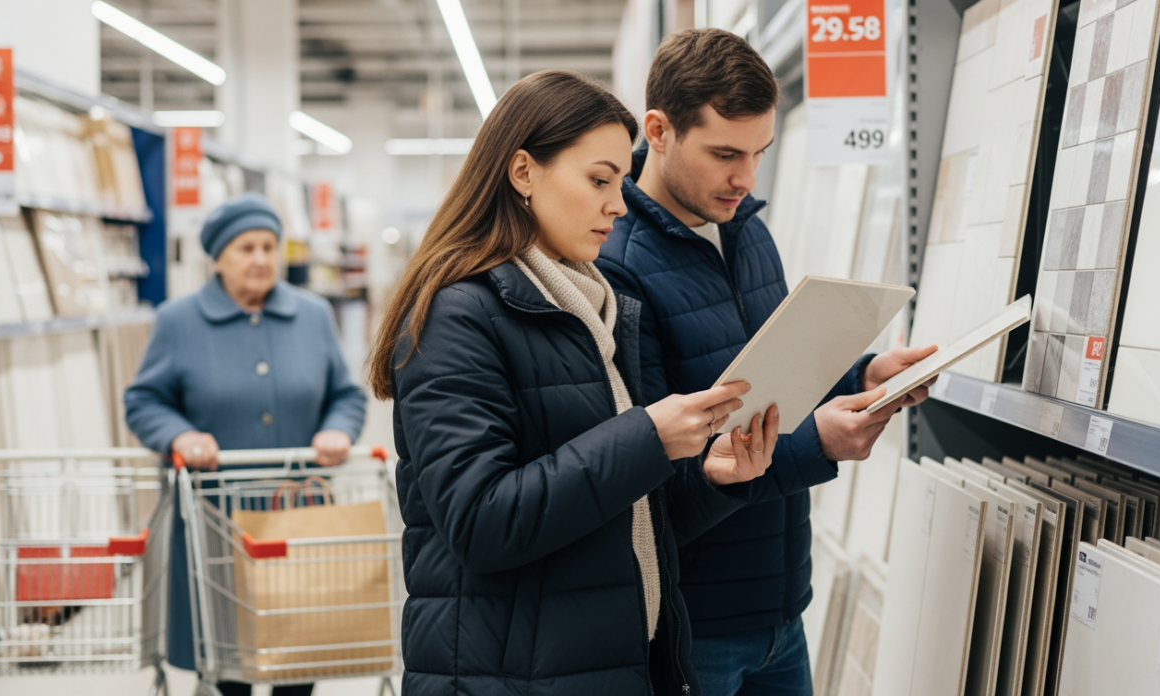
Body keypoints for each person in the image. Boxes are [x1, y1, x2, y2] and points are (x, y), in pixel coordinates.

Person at [366, 70, 783, 696]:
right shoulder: (457, 316)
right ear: (523, 172)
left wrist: (712, 478)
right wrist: (646, 437)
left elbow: (623, 517)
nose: (617, 203)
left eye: (619, 181)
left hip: (593, 664)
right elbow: (482, 522)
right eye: (598, 179)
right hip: (505, 678)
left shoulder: (590, 307)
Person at [597, 30, 935, 696]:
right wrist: (817, 446)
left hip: (781, 606)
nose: (746, 179)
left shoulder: (746, 229)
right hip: (698, 622)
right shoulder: (618, 267)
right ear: (659, 131)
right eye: (726, 153)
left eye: (759, 153)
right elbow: (655, 471)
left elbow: (770, 374)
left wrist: (859, 376)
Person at [124, 192, 368, 696]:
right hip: (216, 520)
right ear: (218, 258)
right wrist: (181, 434)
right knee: (227, 664)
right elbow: (144, 400)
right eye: (245, 248)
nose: (260, 259)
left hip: (300, 514)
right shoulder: (179, 321)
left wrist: (338, 428)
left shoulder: (313, 314)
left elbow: (346, 394)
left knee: (299, 658)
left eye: (268, 246)